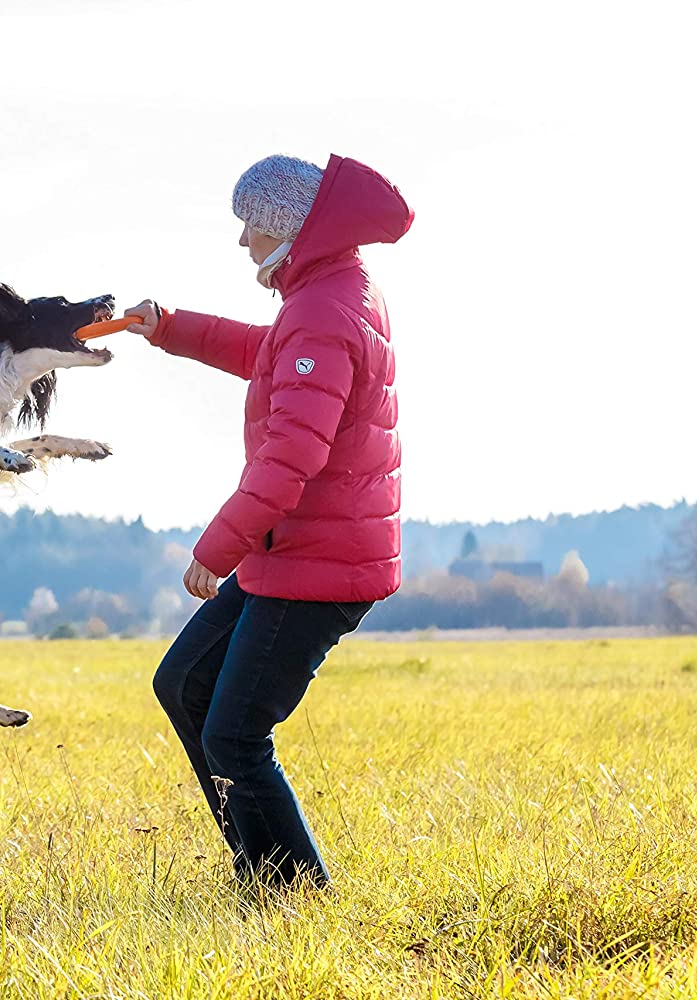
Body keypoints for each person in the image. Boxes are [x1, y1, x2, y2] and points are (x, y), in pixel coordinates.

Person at [124, 153, 413, 886]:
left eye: (250, 222)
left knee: (235, 733)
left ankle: (293, 892)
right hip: (295, 552)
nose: (243, 239)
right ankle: (261, 871)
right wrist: (169, 327)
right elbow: (265, 351)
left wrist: (218, 548)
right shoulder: (324, 294)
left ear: (286, 225)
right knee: (184, 683)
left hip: (316, 563)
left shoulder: (324, 309)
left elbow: (292, 456)